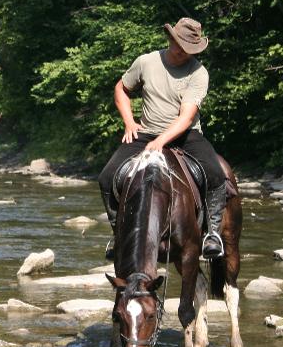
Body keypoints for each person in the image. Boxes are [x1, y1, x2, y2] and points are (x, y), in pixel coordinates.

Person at [97, 16, 229, 261]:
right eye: (180, 46)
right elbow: (121, 89)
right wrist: (129, 122)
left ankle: (212, 234)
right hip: (145, 132)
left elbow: (187, 117)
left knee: (216, 174)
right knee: (106, 178)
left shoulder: (199, 72)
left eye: (189, 49)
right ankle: (119, 234)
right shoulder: (146, 62)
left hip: (186, 135)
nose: (183, 53)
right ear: (170, 38)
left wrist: (161, 141)